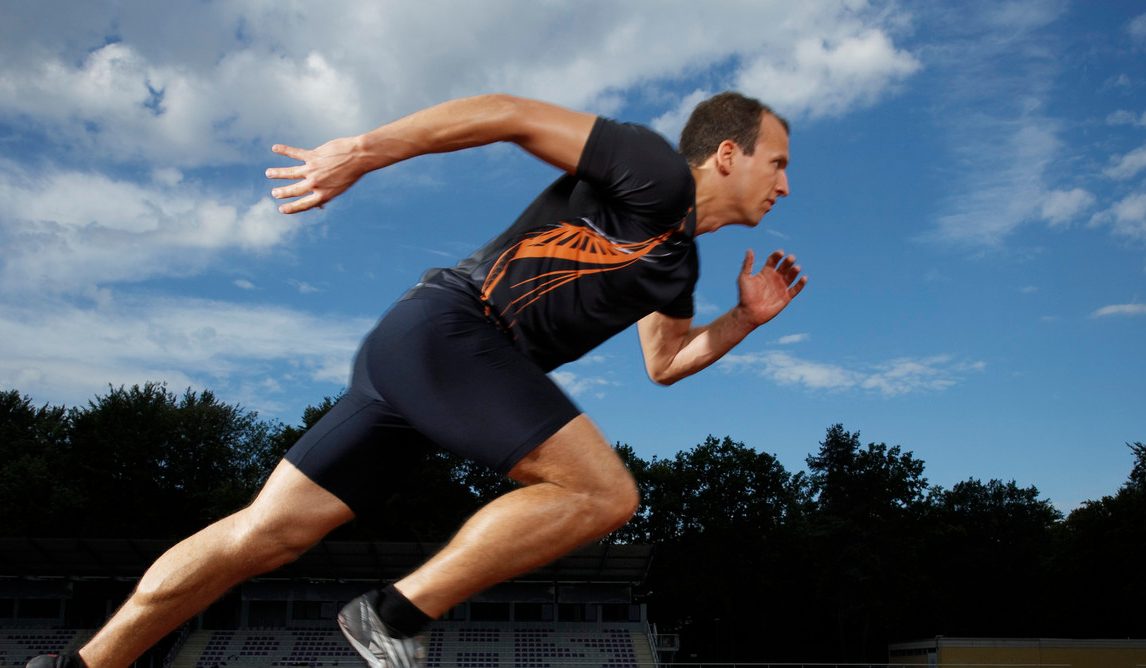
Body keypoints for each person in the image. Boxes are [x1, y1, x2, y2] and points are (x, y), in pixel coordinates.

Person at [28, 91, 804, 668]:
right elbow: (506, 113)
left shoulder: (677, 266)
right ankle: (393, 616)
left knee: (267, 533)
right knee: (604, 495)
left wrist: (741, 323)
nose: (786, 186)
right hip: (452, 330)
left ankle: (81, 666)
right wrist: (365, 149)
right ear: (727, 153)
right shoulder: (652, 170)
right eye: (779, 164)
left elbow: (665, 364)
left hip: (431, 366)